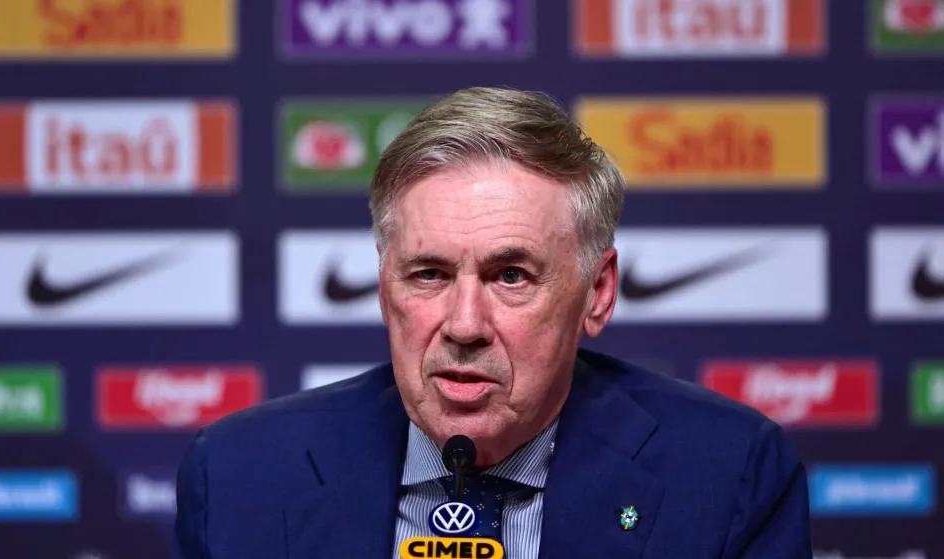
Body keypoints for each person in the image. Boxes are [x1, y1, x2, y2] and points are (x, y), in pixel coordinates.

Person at [171, 87, 812, 559]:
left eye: (511, 276)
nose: (464, 325)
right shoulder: (238, 475)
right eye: (429, 274)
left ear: (597, 292)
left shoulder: (726, 475)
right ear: (384, 284)